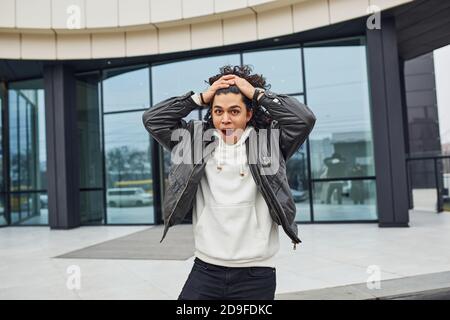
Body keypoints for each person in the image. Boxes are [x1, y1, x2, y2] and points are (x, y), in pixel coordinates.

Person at [142, 65, 316, 300]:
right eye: (218, 111)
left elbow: (304, 119)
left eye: (234, 111)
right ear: (211, 113)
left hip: (256, 274)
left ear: (248, 114)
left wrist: (257, 93)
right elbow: (153, 119)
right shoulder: (193, 143)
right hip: (206, 268)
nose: (225, 119)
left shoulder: (269, 143)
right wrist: (200, 97)